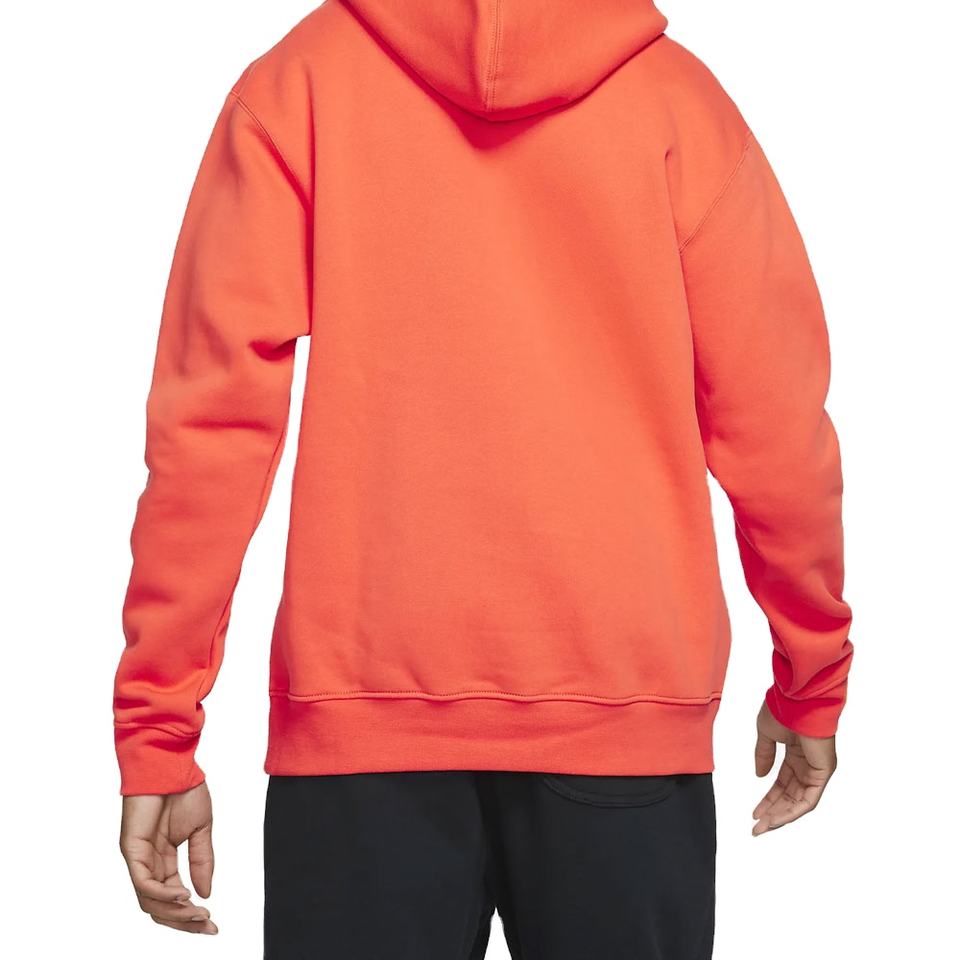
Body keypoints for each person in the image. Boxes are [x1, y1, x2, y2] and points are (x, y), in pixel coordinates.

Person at [113, 1, 855, 956]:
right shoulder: (676, 101)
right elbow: (777, 425)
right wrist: (810, 675)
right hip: (622, 708)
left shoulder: (300, 86)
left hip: (360, 721)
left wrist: (158, 728)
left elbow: (207, 435)